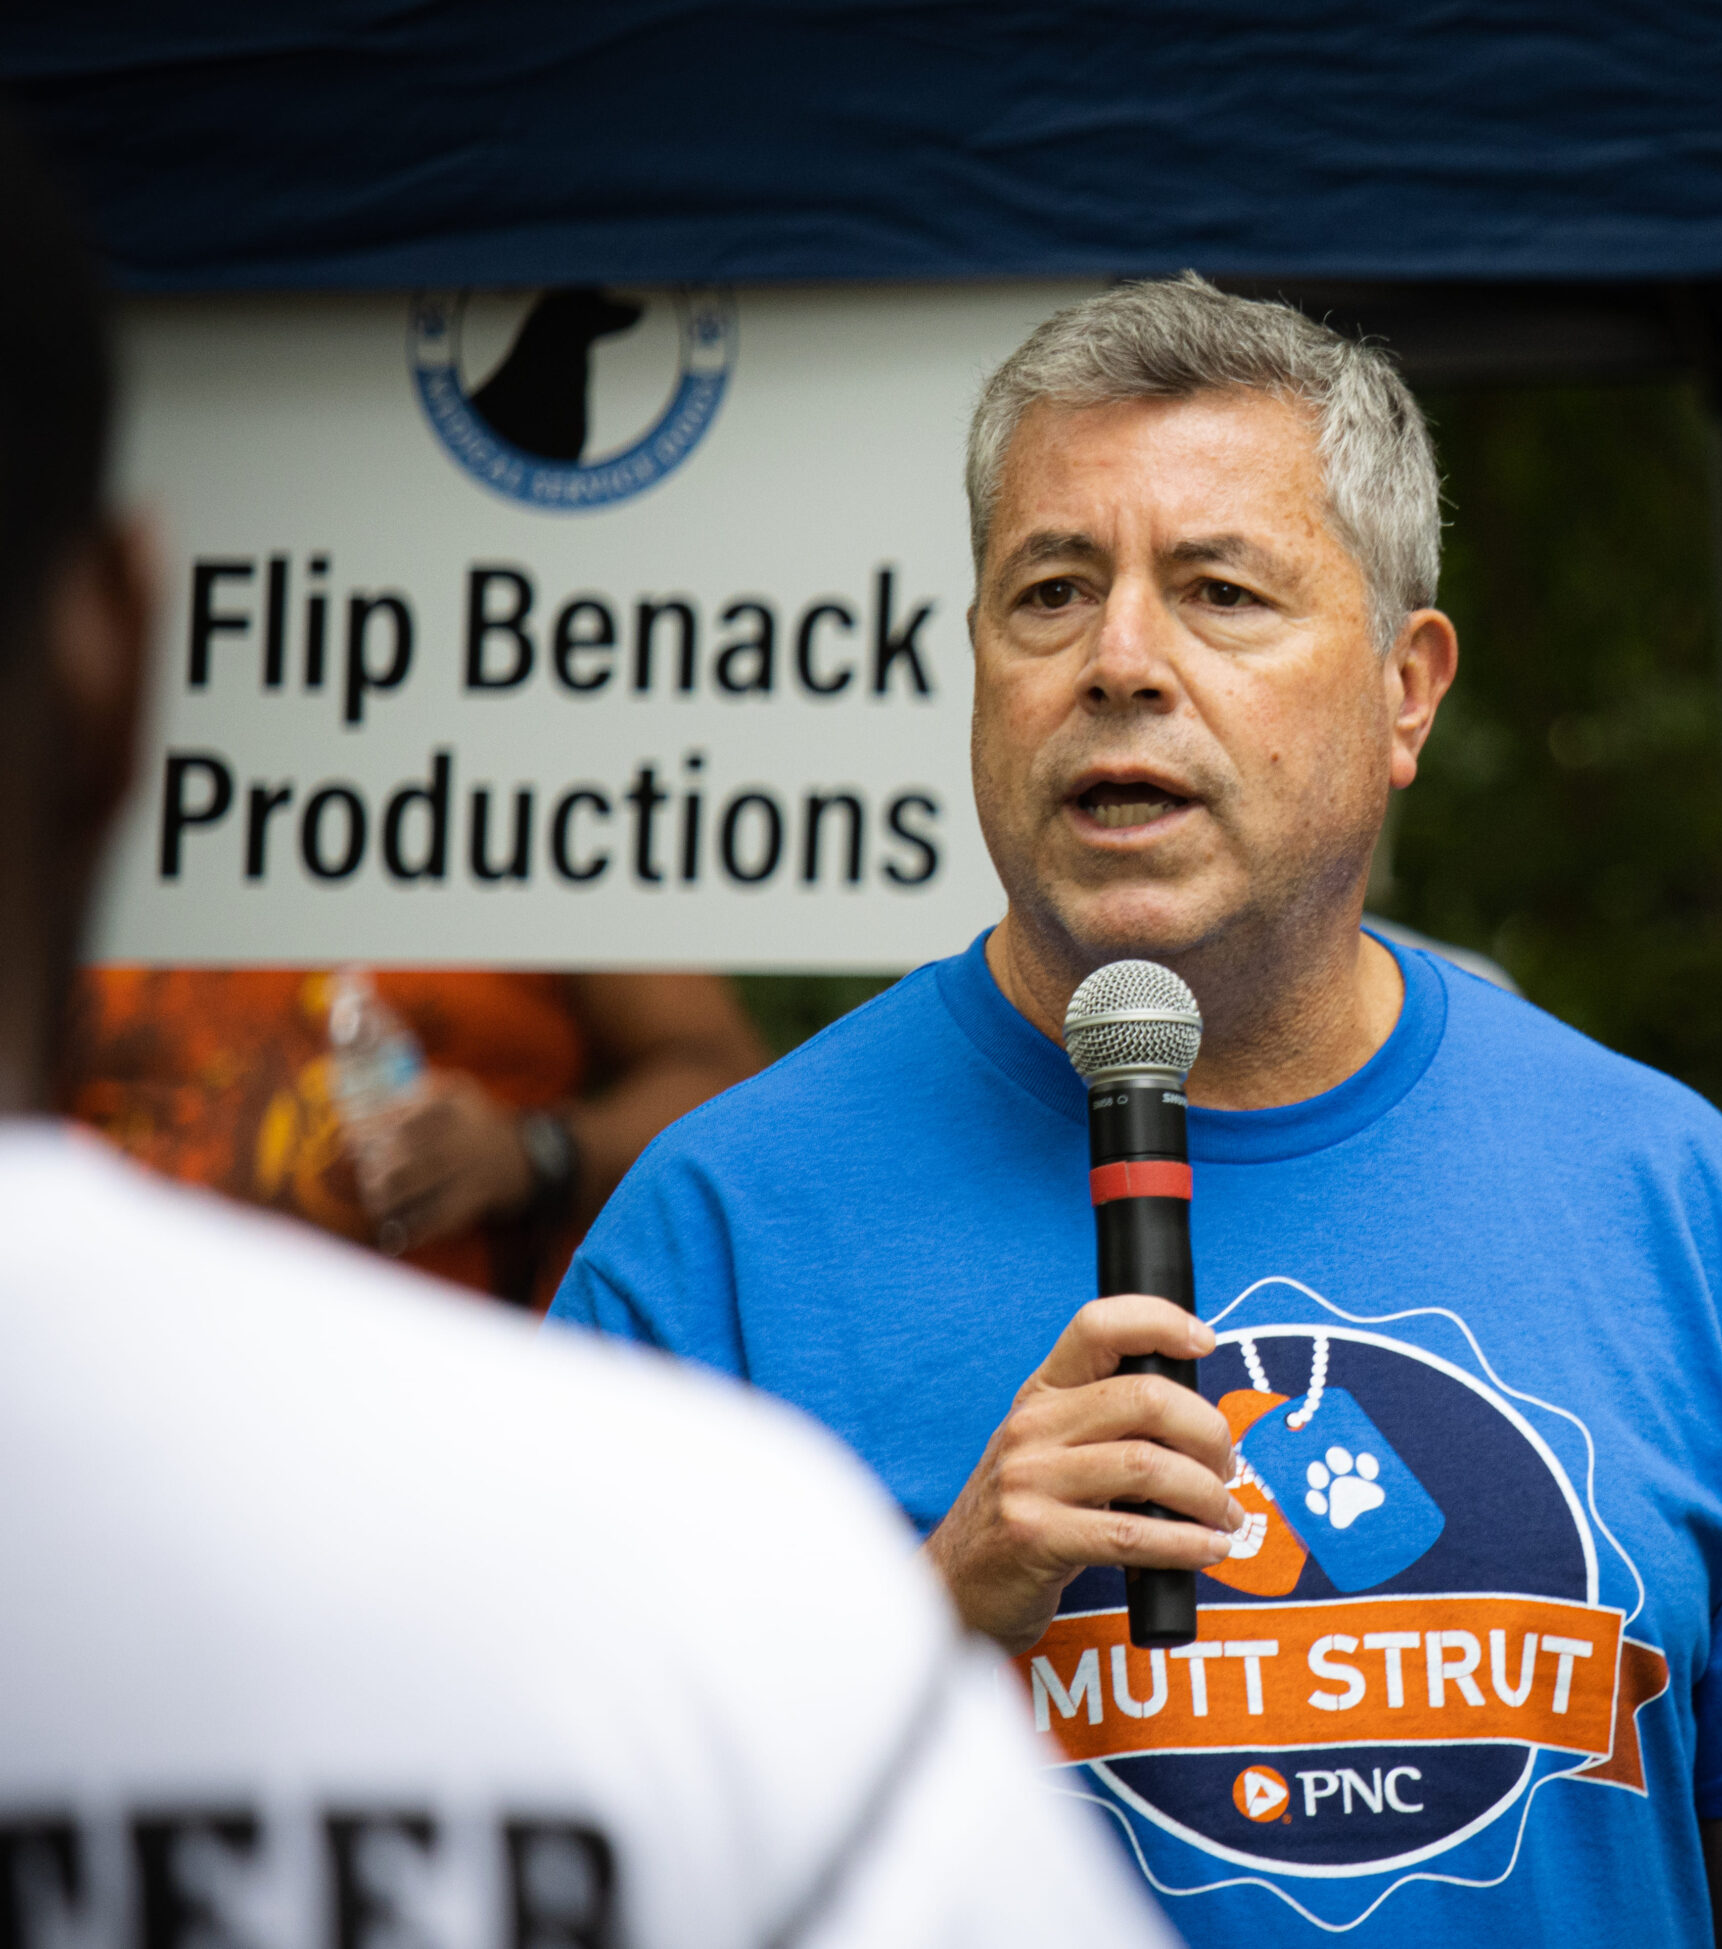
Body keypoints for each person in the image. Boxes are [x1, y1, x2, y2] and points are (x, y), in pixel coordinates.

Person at [551, 275, 1722, 1946]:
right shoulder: (721, 1224)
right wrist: (935, 1610)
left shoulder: (1662, 1190)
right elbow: (550, 1864)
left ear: (1407, 688)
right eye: (1049, 591)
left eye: (1220, 590)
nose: (1116, 661)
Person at [0, 115, 1169, 1949]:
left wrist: (529, 1146)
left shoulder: (622, 1523)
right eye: (1049, 589)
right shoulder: (704, 1495)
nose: (1118, 655)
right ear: (142, 659)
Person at [65, 964, 766, 1305]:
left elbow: (728, 1087)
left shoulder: (519, 798)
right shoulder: (81, 743)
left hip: (452, 1403)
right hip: (111, 1363)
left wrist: (533, 1155)